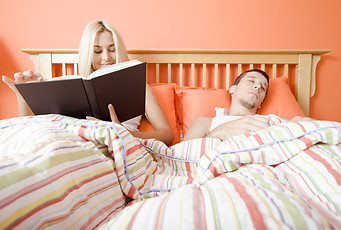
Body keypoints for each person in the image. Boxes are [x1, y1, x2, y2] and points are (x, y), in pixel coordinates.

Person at [2, 20, 174, 146]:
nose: (106, 57)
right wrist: (23, 95)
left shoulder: (137, 86)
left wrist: (127, 133)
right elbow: (31, 130)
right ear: (87, 53)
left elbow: (167, 135)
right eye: (97, 51)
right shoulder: (72, 88)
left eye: (112, 50)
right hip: (69, 144)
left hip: (110, 149)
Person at [183, 69, 312, 141]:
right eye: (251, 81)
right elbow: (183, 156)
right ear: (233, 89)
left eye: (263, 88)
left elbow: (306, 125)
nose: (258, 86)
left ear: (261, 102)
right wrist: (218, 133)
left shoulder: (271, 120)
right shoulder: (206, 123)